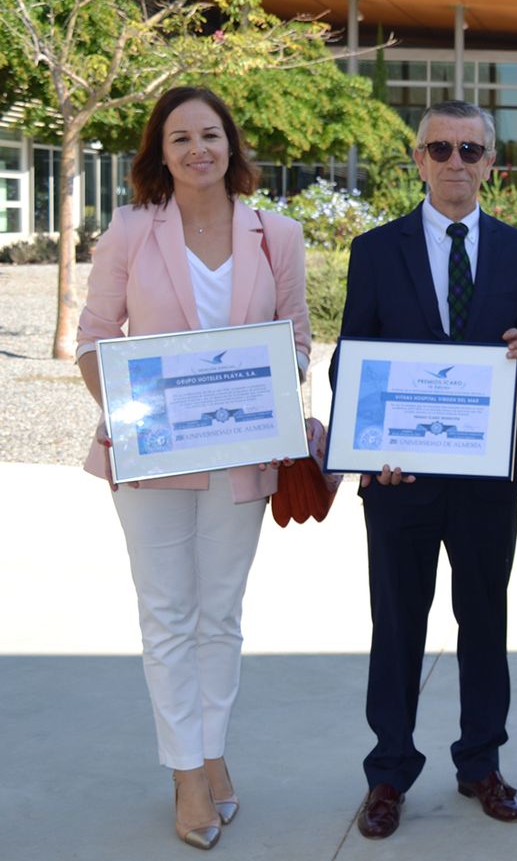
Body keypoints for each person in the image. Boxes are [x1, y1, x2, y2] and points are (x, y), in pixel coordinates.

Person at [76, 86, 312, 851]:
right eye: (180, 138)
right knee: (168, 617)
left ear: (232, 145)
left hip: (243, 455)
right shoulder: (130, 230)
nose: (197, 149)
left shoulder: (276, 233)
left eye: (210, 134)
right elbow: (92, 334)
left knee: (221, 616)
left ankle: (212, 752)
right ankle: (185, 773)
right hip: (152, 460)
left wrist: (270, 385)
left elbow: (298, 342)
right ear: (160, 152)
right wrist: (133, 413)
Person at [335, 99, 517, 840]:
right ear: (418, 160)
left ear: (491, 161)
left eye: (470, 149)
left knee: (484, 621)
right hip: (401, 480)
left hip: (487, 476)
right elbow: (349, 361)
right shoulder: (375, 250)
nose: (455, 162)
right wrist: (369, 453)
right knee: (398, 627)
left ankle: (480, 763)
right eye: (440, 149)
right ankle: (389, 772)